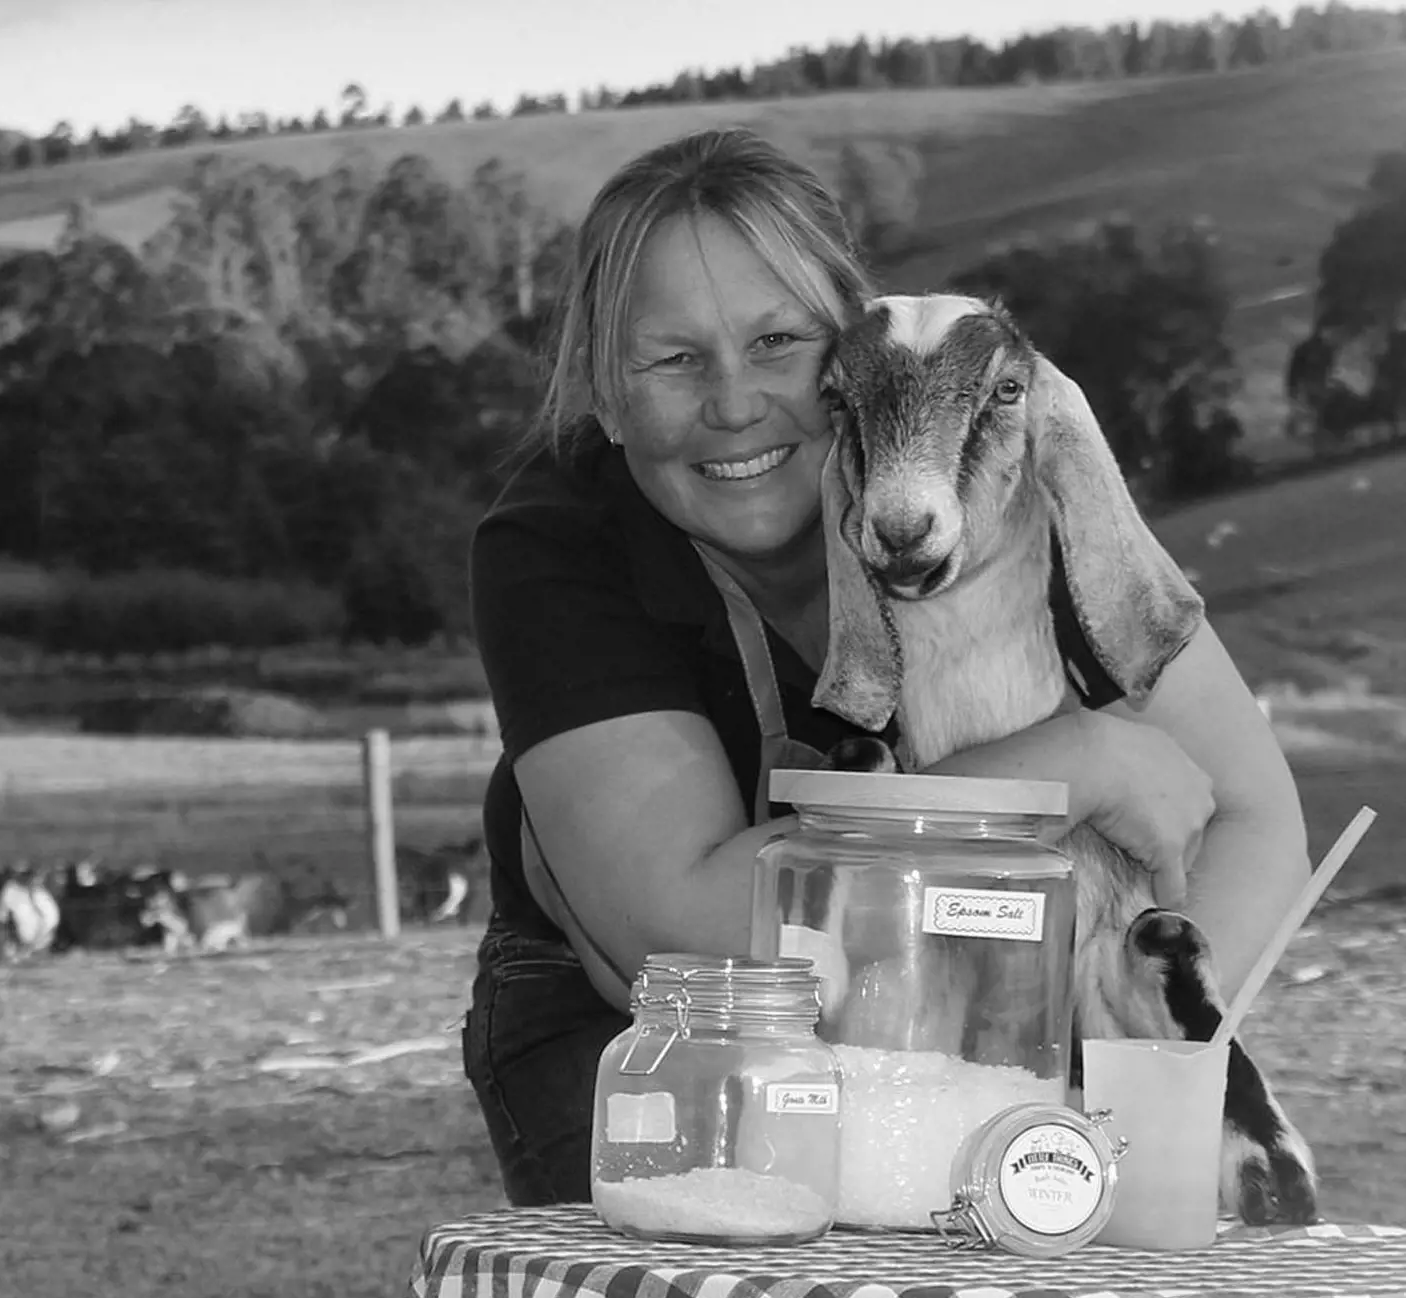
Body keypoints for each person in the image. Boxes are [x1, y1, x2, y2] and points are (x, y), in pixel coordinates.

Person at [462, 127, 1311, 1208]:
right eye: (672, 359)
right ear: (607, 390)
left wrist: (1138, 1040)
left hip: (1016, 994)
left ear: (864, 347)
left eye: (778, 341)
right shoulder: (559, 540)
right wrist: (1073, 764)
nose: (733, 404)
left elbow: (1255, 819)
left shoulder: (1011, 465)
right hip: (652, 1022)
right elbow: (687, 930)